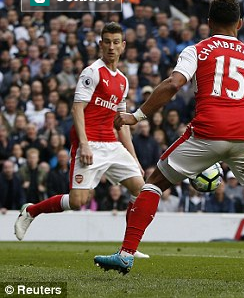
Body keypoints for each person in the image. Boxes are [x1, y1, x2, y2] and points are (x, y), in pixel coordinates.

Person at [93, 0, 244, 280]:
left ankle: (125, 255)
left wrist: (136, 116)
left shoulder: (198, 50)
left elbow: (174, 83)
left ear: (208, 22)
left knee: (155, 184)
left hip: (207, 130)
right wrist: (239, 143)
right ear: (240, 23)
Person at [13, 22, 149, 259]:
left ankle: (129, 246)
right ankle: (31, 211)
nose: (111, 47)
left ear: (123, 46)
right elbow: (77, 109)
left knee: (142, 189)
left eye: (116, 42)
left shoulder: (123, 81)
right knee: (78, 201)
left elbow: (121, 122)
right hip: (90, 144)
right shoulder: (92, 72)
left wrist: (134, 158)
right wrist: (84, 143)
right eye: (107, 42)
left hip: (112, 144)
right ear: (100, 44)